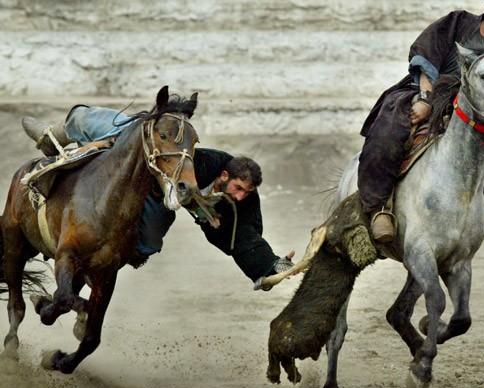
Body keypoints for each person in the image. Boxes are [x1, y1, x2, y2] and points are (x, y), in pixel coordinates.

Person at [21, 104, 294, 290]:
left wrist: (270, 267)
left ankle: (105, 267)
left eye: (247, 192)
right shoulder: (199, 164)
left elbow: (244, 236)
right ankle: (51, 137)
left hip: (159, 194)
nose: (241, 196)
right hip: (145, 162)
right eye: (239, 188)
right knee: (96, 122)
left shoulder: (242, 201)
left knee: (149, 242)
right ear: (223, 175)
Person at [359, 0, 484, 253]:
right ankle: (379, 209)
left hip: (472, 110)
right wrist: (424, 99)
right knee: (388, 133)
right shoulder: (457, 23)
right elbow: (426, 54)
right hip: (432, 93)